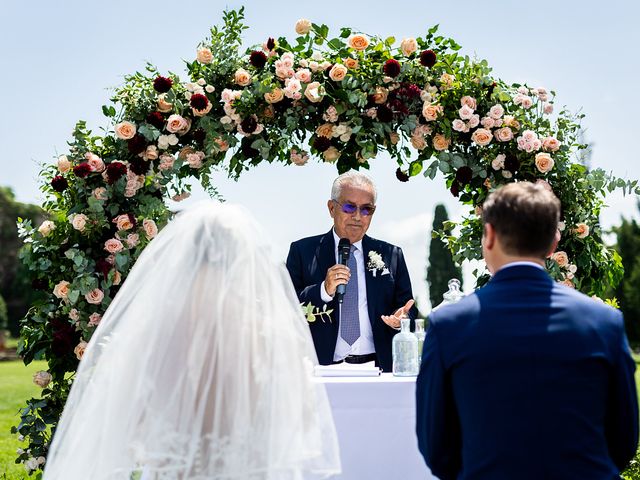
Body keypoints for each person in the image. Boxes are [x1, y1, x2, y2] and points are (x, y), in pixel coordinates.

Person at [43, 201, 341, 480]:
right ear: (241, 259)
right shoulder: (266, 330)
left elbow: (127, 418)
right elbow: (298, 418)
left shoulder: (155, 327)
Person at [415, 182, 639, 479]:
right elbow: (623, 439)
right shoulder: (603, 322)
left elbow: (437, 447)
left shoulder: (448, 326)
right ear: (553, 243)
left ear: (490, 235)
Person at [286, 171, 417, 373]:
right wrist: (323, 290)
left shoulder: (391, 254)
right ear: (331, 208)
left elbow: (406, 306)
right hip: (320, 370)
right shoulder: (302, 252)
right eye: (349, 207)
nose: (357, 216)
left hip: (379, 368)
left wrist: (401, 319)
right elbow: (287, 306)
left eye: (366, 209)